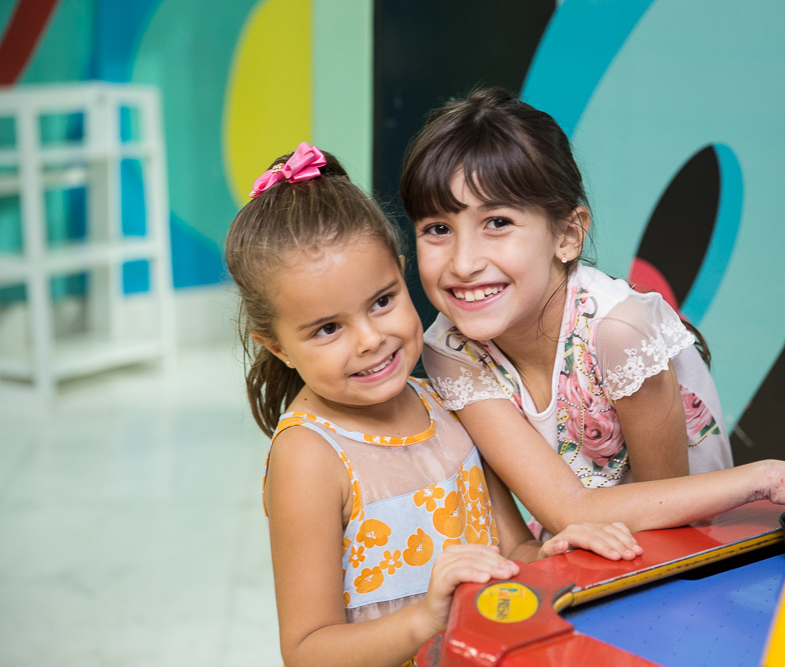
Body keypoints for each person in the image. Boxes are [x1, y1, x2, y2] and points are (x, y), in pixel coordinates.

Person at [225, 143, 641, 667]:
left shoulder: (448, 401)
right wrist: (426, 617)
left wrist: (552, 555)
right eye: (328, 328)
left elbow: (511, 551)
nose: (371, 339)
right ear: (278, 346)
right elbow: (308, 651)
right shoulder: (309, 456)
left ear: (402, 276)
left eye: (382, 301)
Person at [399, 88, 785, 537]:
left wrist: (769, 480)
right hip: (590, 542)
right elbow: (563, 509)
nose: (463, 262)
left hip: (686, 556)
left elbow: (669, 522)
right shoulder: (449, 347)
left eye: (498, 223)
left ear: (568, 235)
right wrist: (765, 477)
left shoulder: (619, 332)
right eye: (438, 229)